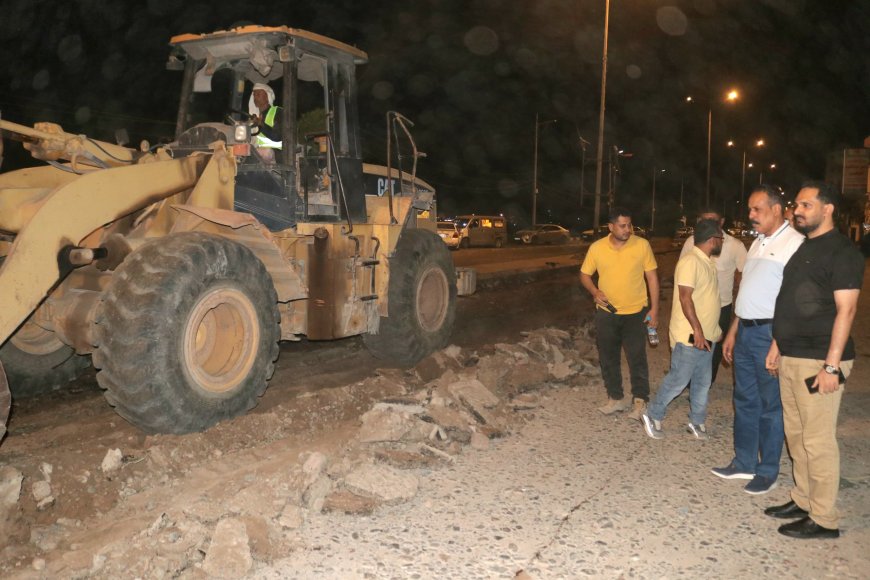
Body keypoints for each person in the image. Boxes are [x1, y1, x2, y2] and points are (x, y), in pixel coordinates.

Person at [763, 181, 863, 539]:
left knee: (818, 441)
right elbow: (791, 302)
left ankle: (824, 518)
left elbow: (846, 310)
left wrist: (832, 366)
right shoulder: (805, 249)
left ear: (828, 208)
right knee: (797, 435)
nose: (797, 210)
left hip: (820, 359)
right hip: (792, 355)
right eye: (797, 204)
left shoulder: (842, 252)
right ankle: (803, 499)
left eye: (806, 204)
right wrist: (777, 345)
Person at [712, 185, 804, 494]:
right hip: (746, 331)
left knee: (770, 406)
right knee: (744, 400)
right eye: (750, 209)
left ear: (776, 210)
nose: (750, 215)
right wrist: (733, 330)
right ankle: (744, 462)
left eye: (757, 210)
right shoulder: (757, 243)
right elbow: (748, 290)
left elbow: (793, 302)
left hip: (770, 333)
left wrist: (779, 343)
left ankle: (767, 471)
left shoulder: (795, 244)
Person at [642, 219, 724, 439]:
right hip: (690, 337)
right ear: (712, 239)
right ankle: (653, 414)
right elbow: (685, 297)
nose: (722, 242)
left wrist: (713, 331)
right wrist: (697, 330)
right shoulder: (690, 262)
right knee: (678, 380)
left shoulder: (707, 262)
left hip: (707, 338)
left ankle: (697, 422)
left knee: (702, 383)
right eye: (721, 238)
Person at [580, 207, 660, 422]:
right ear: (611, 227)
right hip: (607, 313)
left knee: (637, 358)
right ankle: (616, 397)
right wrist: (594, 291)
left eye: (629, 225)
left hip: (636, 313)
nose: (628, 230)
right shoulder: (597, 248)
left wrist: (654, 309)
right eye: (623, 226)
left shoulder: (642, 245)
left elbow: (652, 278)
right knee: (608, 357)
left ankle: (640, 400)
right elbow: (585, 275)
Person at [680, 209, 747, 384]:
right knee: (692, 340)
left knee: (714, 346)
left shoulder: (734, 245)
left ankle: (706, 382)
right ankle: (691, 380)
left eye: (713, 220)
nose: (708, 223)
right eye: (704, 220)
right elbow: (682, 273)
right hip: (695, 304)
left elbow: (744, 275)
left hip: (722, 306)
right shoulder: (691, 242)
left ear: (722, 221)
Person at [248, 83, 282, 160]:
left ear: (267, 97)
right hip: (256, 153)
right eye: (254, 95)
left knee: (264, 152)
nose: (255, 98)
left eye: (258, 94)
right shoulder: (253, 117)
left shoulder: (278, 112)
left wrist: (261, 124)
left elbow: (277, 136)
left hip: (275, 156)